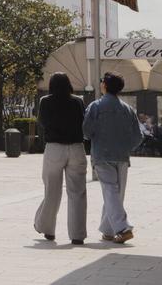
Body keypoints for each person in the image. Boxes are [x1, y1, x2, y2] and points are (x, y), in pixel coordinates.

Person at [83, 71, 143, 244]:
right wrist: (126, 147)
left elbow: (86, 132)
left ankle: (123, 228)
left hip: (102, 154)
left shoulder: (95, 106)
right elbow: (138, 136)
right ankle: (108, 230)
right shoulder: (128, 109)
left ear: (105, 85)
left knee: (110, 191)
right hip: (122, 156)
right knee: (116, 193)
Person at [33, 72, 87, 245]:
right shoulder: (78, 101)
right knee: (77, 192)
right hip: (76, 147)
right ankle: (77, 235)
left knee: (52, 190)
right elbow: (83, 122)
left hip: (54, 147)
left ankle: (47, 228)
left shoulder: (45, 101)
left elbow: (42, 123)